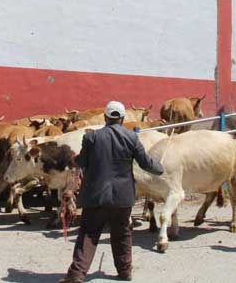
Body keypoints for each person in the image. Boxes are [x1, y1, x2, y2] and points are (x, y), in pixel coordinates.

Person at [59, 101, 164, 283]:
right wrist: (161, 169)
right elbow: (146, 163)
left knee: (89, 234)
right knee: (122, 233)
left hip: (95, 195)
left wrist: (73, 159)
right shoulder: (132, 138)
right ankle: (125, 272)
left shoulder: (91, 137)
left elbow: (81, 162)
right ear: (122, 118)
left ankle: (76, 275)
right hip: (122, 197)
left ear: (105, 117)